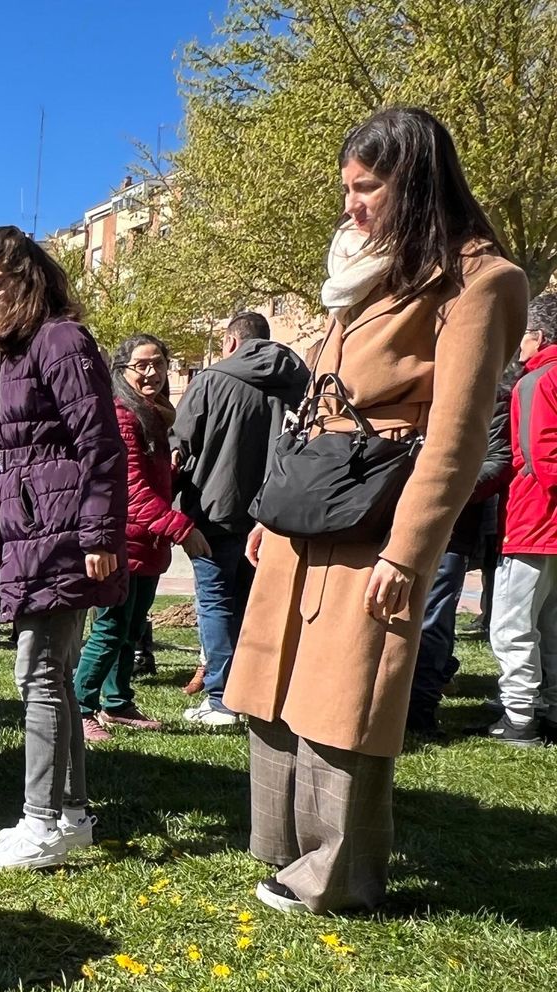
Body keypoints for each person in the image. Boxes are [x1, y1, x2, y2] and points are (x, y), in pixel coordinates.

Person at [229, 108, 527, 916]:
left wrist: (409, 552)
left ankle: (338, 875)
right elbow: (316, 401)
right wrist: (274, 506)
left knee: (346, 691)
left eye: (367, 188)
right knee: (274, 674)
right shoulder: (361, 274)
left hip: (378, 511)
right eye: (346, 188)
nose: (351, 206)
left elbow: (459, 438)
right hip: (313, 499)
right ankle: (282, 851)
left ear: (417, 183)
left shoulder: (480, 280)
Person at [0, 226, 128, 872]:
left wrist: (98, 535)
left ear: (27, 278)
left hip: (62, 535)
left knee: (37, 674)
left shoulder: (61, 341)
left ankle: (42, 822)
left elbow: (100, 443)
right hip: (26, 535)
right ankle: (72, 816)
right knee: (51, 675)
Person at [173, 312, 310, 725]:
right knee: (257, 605)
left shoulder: (211, 380)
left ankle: (221, 700)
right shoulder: (300, 385)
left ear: (231, 342)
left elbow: (179, 445)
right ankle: (255, 693)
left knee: (216, 603)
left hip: (215, 511)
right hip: (274, 515)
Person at [76, 334, 207, 741]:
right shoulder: (122, 415)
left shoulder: (153, 414)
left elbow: (149, 479)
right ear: (122, 371)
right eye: (142, 366)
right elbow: (130, 492)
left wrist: (174, 472)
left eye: (159, 364)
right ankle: (79, 707)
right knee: (111, 628)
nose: (152, 373)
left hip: (147, 546)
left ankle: (116, 702)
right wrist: (181, 529)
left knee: (131, 628)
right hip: (122, 542)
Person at [407, 364, 514, 735]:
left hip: (450, 526)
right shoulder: (414, 384)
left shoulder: (492, 395)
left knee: (432, 617)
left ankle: (420, 710)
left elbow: (498, 460)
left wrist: (444, 497)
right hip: (392, 518)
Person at [486, 291, 557, 745]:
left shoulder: (536, 382)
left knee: (512, 625)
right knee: (550, 623)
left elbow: (537, 455)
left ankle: (518, 716)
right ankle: (548, 708)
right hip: (548, 525)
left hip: (534, 520)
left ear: (539, 336)